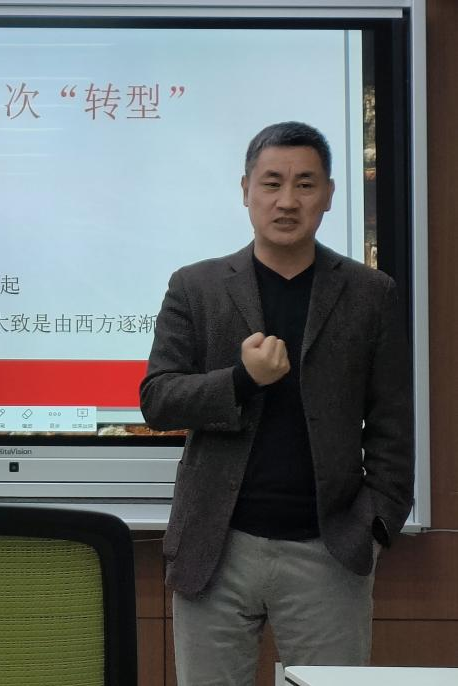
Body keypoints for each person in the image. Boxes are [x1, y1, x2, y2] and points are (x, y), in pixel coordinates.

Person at [139, 121, 414, 685]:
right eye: (271, 183)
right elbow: (158, 399)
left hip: (328, 549)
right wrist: (242, 380)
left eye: (305, 184)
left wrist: (374, 526)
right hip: (216, 547)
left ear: (329, 195)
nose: (287, 201)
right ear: (246, 191)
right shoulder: (196, 287)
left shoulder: (370, 293)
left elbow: (394, 424)